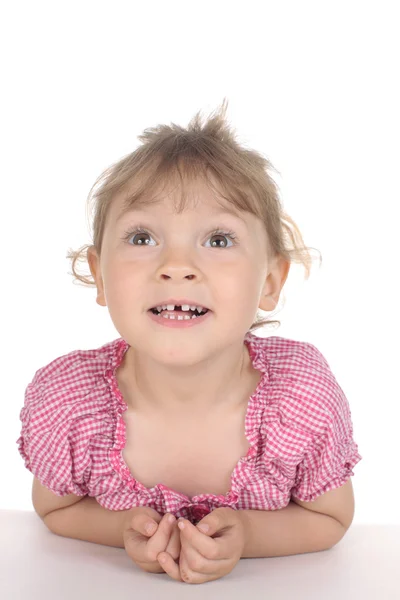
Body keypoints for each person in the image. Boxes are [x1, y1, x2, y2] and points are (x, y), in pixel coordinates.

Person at [16, 99, 362, 584]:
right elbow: (55, 509)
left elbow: (331, 519)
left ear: (270, 281)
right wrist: (123, 529)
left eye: (218, 240)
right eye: (141, 238)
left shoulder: (301, 400)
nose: (177, 265)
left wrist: (248, 537)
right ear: (99, 276)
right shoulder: (69, 404)